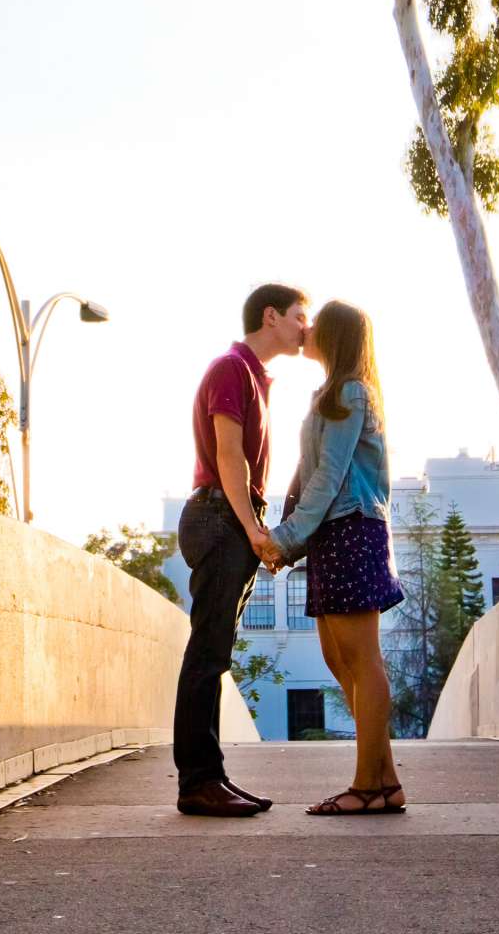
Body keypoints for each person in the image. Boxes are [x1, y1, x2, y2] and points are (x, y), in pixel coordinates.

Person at [172, 283, 309, 819]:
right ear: (271, 316)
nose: (305, 328)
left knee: (214, 652)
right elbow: (231, 458)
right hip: (219, 517)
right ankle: (198, 782)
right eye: (300, 317)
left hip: (228, 518)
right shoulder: (231, 369)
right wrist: (254, 529)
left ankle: (210, 778)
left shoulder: (253, 377)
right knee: (207, 653)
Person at [270, 299, 406, 815]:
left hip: (352, 528)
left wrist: (285, 538)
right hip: (331, 533)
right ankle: (386, 780)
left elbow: (329, 476)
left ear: (336, 337)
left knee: (362, 661)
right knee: (337, 657)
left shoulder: (351, 392)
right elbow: (306, 475)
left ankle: (366, 786)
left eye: (316, 324)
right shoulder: (330, 392)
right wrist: (289, 538)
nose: (307, 329)